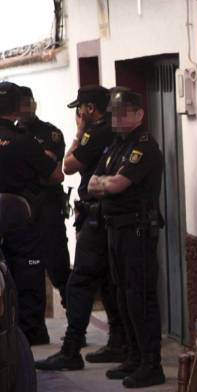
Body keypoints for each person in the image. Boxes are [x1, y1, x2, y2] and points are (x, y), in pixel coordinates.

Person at [35, 85, 126, 371]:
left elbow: (69, 165)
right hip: (107, 215)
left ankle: (72, 348)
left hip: (98, 217)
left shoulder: (94, 132)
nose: (79, 113)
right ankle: (118, 341)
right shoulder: (112, 132)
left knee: (80, 281)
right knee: (109, 282)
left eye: (80, 107)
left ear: (88, 108)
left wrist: (77, 133)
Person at [88, 87, 165, 388]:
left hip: (137, 232)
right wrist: (106, 183)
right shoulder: (115, 146)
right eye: (114, 113)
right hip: (115, 229)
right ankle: (133, 357)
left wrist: (107, 183)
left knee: (140, 298)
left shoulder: (144, 146)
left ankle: (151, 365)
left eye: (123, 113)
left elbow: (118, 185)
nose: (116, 118)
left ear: (139, 114)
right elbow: (92, 183)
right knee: (122, 295)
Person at [0, 81, 64, 345]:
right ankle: (30, 333)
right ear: (16, 108)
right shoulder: (24, 141)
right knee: (28, 273)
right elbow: (56, 174)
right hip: (20, 217)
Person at [16, 86, 71, 309]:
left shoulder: (50, 133)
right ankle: (33, 328)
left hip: (48, 207)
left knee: (58, 266)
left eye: (27, 104)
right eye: (19, 105)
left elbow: (51, 172)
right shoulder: (10, 134)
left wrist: (23, 169)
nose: (24, 109)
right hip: (22, 209)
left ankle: (75, 324)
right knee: (27, 268)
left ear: (34, 105)